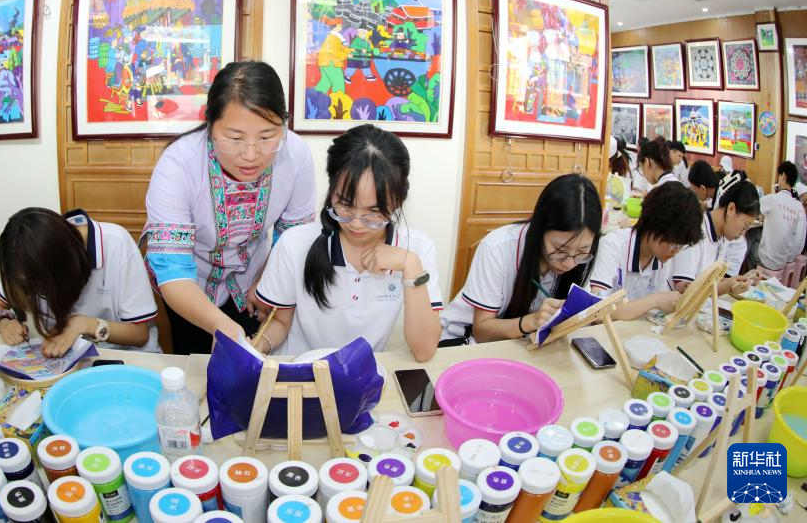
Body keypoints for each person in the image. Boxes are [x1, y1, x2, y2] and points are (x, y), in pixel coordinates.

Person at [143, 61, 317, 354]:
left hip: (253, 282)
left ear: (284, 125)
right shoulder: (178, 165)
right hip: (189, 289)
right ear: (210, 125)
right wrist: (219, 324)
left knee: (252, 359)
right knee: (196, 359)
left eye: (267, 137)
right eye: (235, 138)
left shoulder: (296, 156)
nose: (251, 154)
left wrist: (266, 281)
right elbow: (174, 273)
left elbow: (292, 239)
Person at [253, 126, 442, 361]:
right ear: (332, 189)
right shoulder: (295, 243)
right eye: (344, 206)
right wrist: (258, 346)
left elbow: (424, 351)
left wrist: (410, 265)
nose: (356, 224)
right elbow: (280, 323)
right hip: (300, 370)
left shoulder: (418, 248)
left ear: (398, 201)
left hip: (363, 376)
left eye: (373, 212)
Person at [440, 174, 602, 345]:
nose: (569, 263)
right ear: (540, 229)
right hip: (464, 341)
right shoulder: (498, 247)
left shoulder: (582, 258)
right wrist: (532, 321)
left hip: (521, 345)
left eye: (582, 251)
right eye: (560, 250)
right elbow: (482, 333)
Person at [0, 208, 159, 357]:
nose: (36, 291)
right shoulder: (24, 257)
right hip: (68, 360)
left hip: (126, 358)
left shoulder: (115, 243)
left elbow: (140, 335)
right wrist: (3, 322)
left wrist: (84, 324)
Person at [586, 182, 703, 320]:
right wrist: (655, 301)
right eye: (673, 245)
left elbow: (655, 313)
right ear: (654, 225)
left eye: (681, 246)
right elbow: (596, 313)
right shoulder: (613, 245)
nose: (676, 252)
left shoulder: (661, 258)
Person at [671, 171, 761, 296]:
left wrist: (738, 281)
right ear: (731, 209)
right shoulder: (695, 231)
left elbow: (710, 282)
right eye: (745, 225)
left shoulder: (722, 237)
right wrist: (726, 287)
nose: (743, 233)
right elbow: (683, 291)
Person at [748, 161, 807, 272]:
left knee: (750, 236)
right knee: (758, 234)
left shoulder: (772, 199)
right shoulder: (798, 206)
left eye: (779, 176)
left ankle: (749, 275)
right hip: (783, 261)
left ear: (783, 176)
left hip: (766, 262)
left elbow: (752, 208)